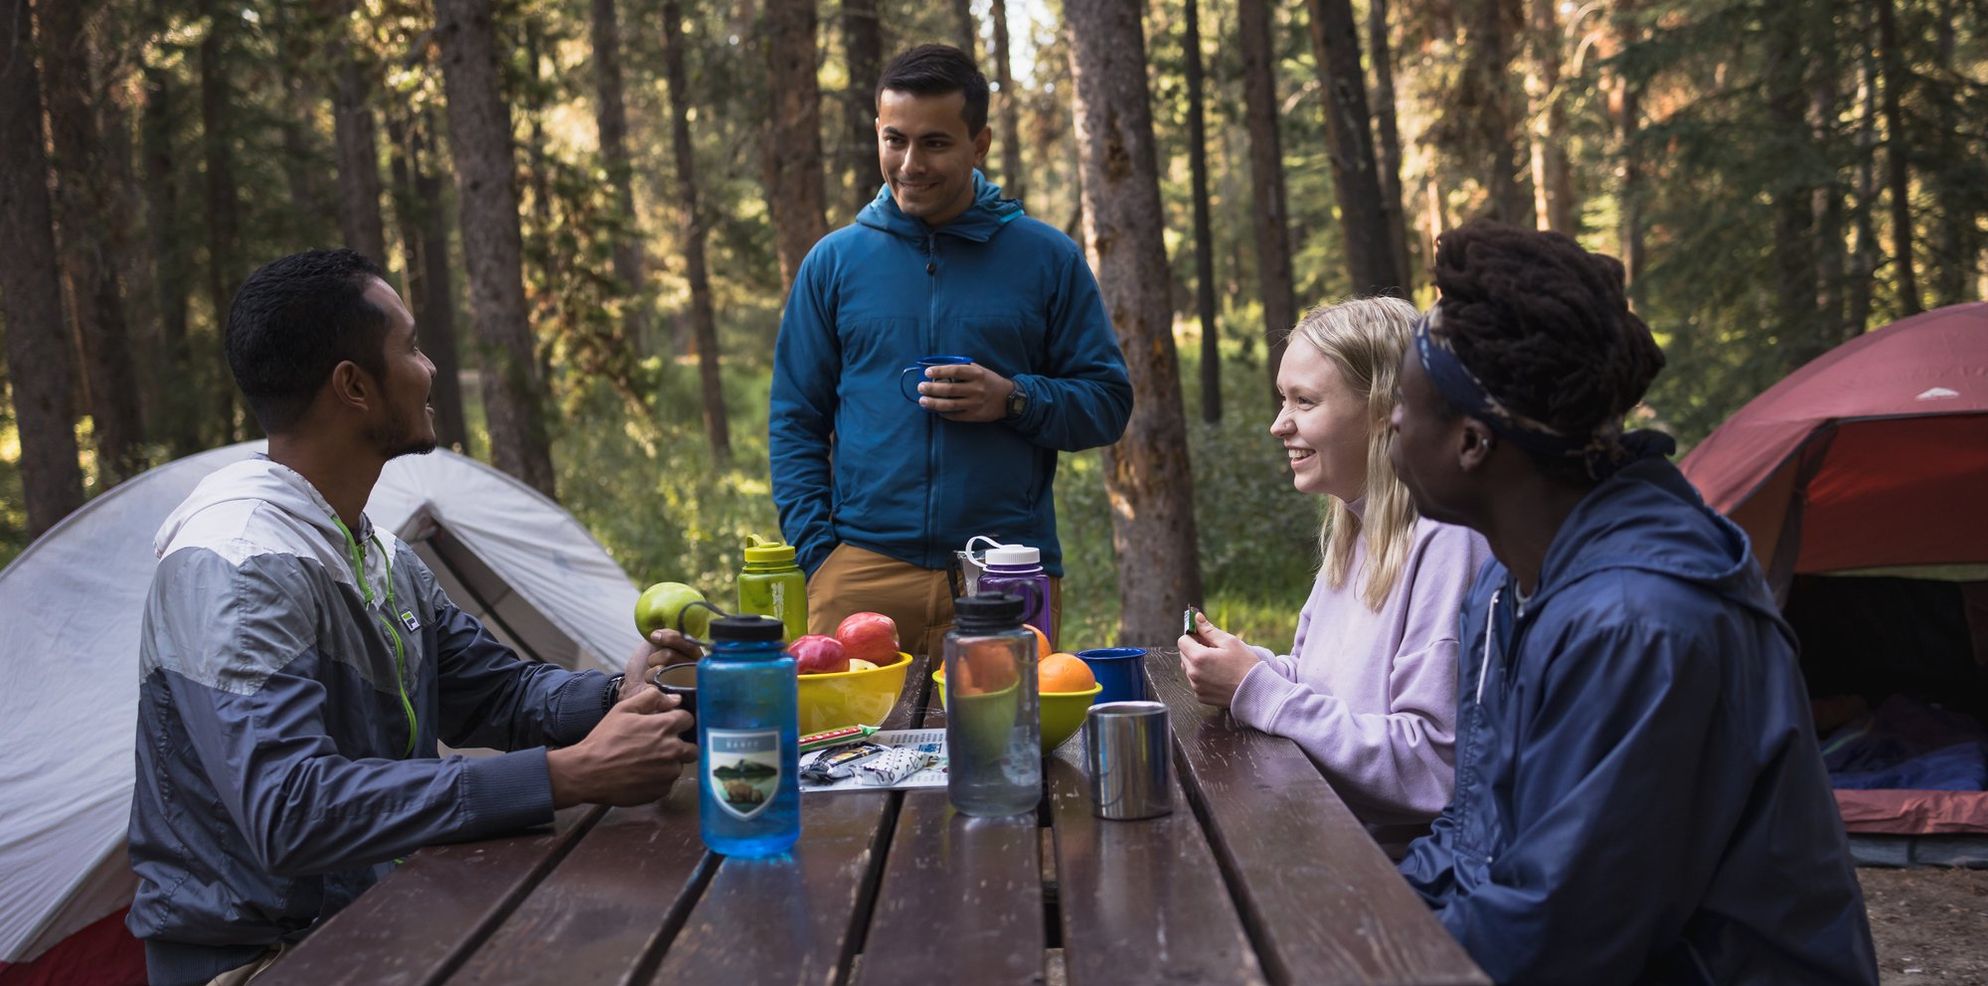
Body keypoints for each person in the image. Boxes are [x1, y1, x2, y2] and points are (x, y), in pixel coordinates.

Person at [127, 250, 700, 986]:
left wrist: (619, 696)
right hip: (261, 959)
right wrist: (566, 776)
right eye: (413, 346)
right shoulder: (238, 564)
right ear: (354, 386)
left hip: (376, 917)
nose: (429, 369)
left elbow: (496, 694)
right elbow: (289, 809)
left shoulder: (372, 552)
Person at [1387, 222, 1877, 983]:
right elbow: (1472, 834)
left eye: (1404, 404)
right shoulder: (1504, 590)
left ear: (1472, 444)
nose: (1388, 421)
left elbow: (1558, 938)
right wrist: (1364, 915)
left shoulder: (1640, 625)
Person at [769, 43, 1132, 657]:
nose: (910, 163)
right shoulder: (833, 262)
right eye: (894, 139)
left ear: (980, 142)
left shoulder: (1048, 259)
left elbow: (1107, 402)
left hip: (1006, 571)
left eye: (935, 142)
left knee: (1005, 753)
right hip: (860, 572)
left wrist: (1013, 399)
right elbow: (795, 420)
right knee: (843, 753)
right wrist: (820, 555)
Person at [1176, 298, 1489, 854]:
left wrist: (1258, 690)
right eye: (1282, 399)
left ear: (1382, 410)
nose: (1279, 425)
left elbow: (1431, 768)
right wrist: (1252, 668)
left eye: (1305, 401)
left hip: (1399, 875)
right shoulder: (1356, 524)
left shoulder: (1447, 542)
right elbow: (1322, 685)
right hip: (1330, 836)